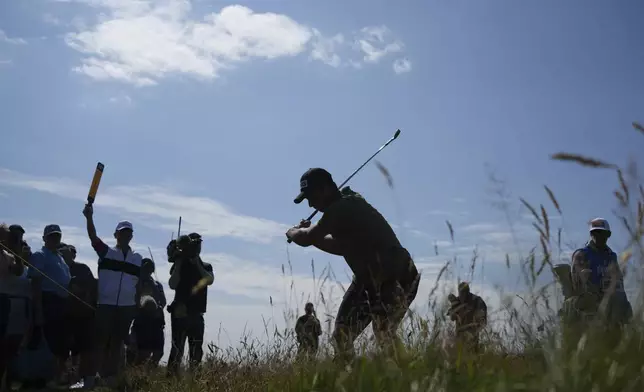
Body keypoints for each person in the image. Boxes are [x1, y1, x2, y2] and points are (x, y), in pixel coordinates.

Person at [285, 168, 421, 361]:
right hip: (368, 279)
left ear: (325, 189)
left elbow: (308, 238)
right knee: (341, 336)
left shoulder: (343, 207)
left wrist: (293, 231)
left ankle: (410, 377)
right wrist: (313, 233)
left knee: (384, 332)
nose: (310, 203)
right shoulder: (345, 203)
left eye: (311, 197)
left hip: (397, 273)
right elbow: (341, 247)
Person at [82, 203, 142, 387]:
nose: (125, 235)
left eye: (128, 232)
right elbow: (93, 237)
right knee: (99, 343)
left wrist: (136, 305)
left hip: (126, 307)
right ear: (116, 235)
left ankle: (109, 378)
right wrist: (89, 217)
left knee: (116, 344)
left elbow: (138, 284)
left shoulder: (137, 259)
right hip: (105, 305)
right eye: (122, 232)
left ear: (131, 236)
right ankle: (90, 379)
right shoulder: (106, 252)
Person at [27, 224, 72, 387]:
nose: (55, 239)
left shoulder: (60, 258)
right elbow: (36, 282)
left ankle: (58, 376)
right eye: (52, 236)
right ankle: (46, 377)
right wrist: (38, 309)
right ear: (44, 238)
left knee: (62, 341)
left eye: (57, 236)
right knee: (51, 341)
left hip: (62, 302)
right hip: (48, 300)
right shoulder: (40, 255)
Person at [570, 218, 632, 327]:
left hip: (610, 298)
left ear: (608, 235)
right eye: (595, 232)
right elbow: (576, 284)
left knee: (622, 303)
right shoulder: (582, 254)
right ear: (591, 234)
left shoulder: (611, 256)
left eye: (603, 233)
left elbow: (619, 281)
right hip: (590, 298)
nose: (599, 236)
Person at [166, 233, 214, 376]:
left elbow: (209, 280)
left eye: (199, 245)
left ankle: (194, 380)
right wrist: (180, 262)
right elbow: (172, 284)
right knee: (177, 349)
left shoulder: (206, 266)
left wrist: (197, 262)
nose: (197, 248)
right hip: (180, 313)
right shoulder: (180, 264)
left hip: (197, 313)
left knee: (196, 351)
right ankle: (171, 380)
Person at [59, 243, 98, 389]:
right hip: (65, 314)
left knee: (85, 348)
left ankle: (83, 377)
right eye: (61, 252)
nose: (65, 254)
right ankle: (67, 377)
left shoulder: (83, 268)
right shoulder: (59, 269)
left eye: (68, 252)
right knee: (66, 348)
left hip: (85, 314)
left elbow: (93, 287)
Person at [0, 226, 32, 390]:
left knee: (6, 347)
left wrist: (20, 257)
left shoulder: (7, 256)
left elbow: (18, 271)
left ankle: (5, 382)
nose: (4, 239)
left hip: (5, 302)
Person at [131, 258, 166, 367]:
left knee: (158, 352)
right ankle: (136, 374)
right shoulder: (135, 283)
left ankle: (149, 374)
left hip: (156, 322)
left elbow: (163, 301)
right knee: (143, 353)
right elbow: (134, 300)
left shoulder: (157, 285)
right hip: (142, 321)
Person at [447, 282, 487, 352]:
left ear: (468, 291)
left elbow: (483, 320)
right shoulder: (457, 301)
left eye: (464, 292)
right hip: (459, 337)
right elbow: (451, 316)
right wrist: (454, 311)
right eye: (461, 292)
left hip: (472, 338)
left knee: (471, 358)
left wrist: (474, 330)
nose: (462, 295)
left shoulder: (476, 300)